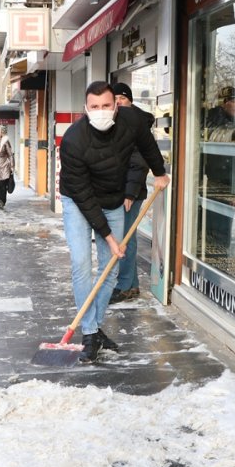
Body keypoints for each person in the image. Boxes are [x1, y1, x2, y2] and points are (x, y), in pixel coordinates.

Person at [59, 81, 170, 362]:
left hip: (113, 199)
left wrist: (159, 172)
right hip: (79, 201)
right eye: (94, 107)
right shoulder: (73, 140)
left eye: (106, 106)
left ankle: (93, 329)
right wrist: (109, 237)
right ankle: (89, 330)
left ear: (116, 106)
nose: (101, 111)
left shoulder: (131, 121)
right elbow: (85, 198)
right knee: (82, 263)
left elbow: (147, 145)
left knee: (110, 267)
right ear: (85, 109)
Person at [109, 83, 153, 304]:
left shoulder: (136, 125)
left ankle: (125, 286)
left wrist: (130, 193)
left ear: (130, 100)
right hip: (119, 189)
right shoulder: (117, 122)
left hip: (130, 192)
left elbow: (139, 161)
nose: (118, 103)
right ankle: (131, 285)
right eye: (114, 99)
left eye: (122, 98)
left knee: (125, 238)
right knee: (124, 237)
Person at [201, 85, 235, 253]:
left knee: (218, 228)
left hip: (224, 184)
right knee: (219, 230)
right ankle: (217, 260)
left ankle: (216, 258)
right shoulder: (217, 121)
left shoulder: (233, 123)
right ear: (225, 103)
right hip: (220, 183)